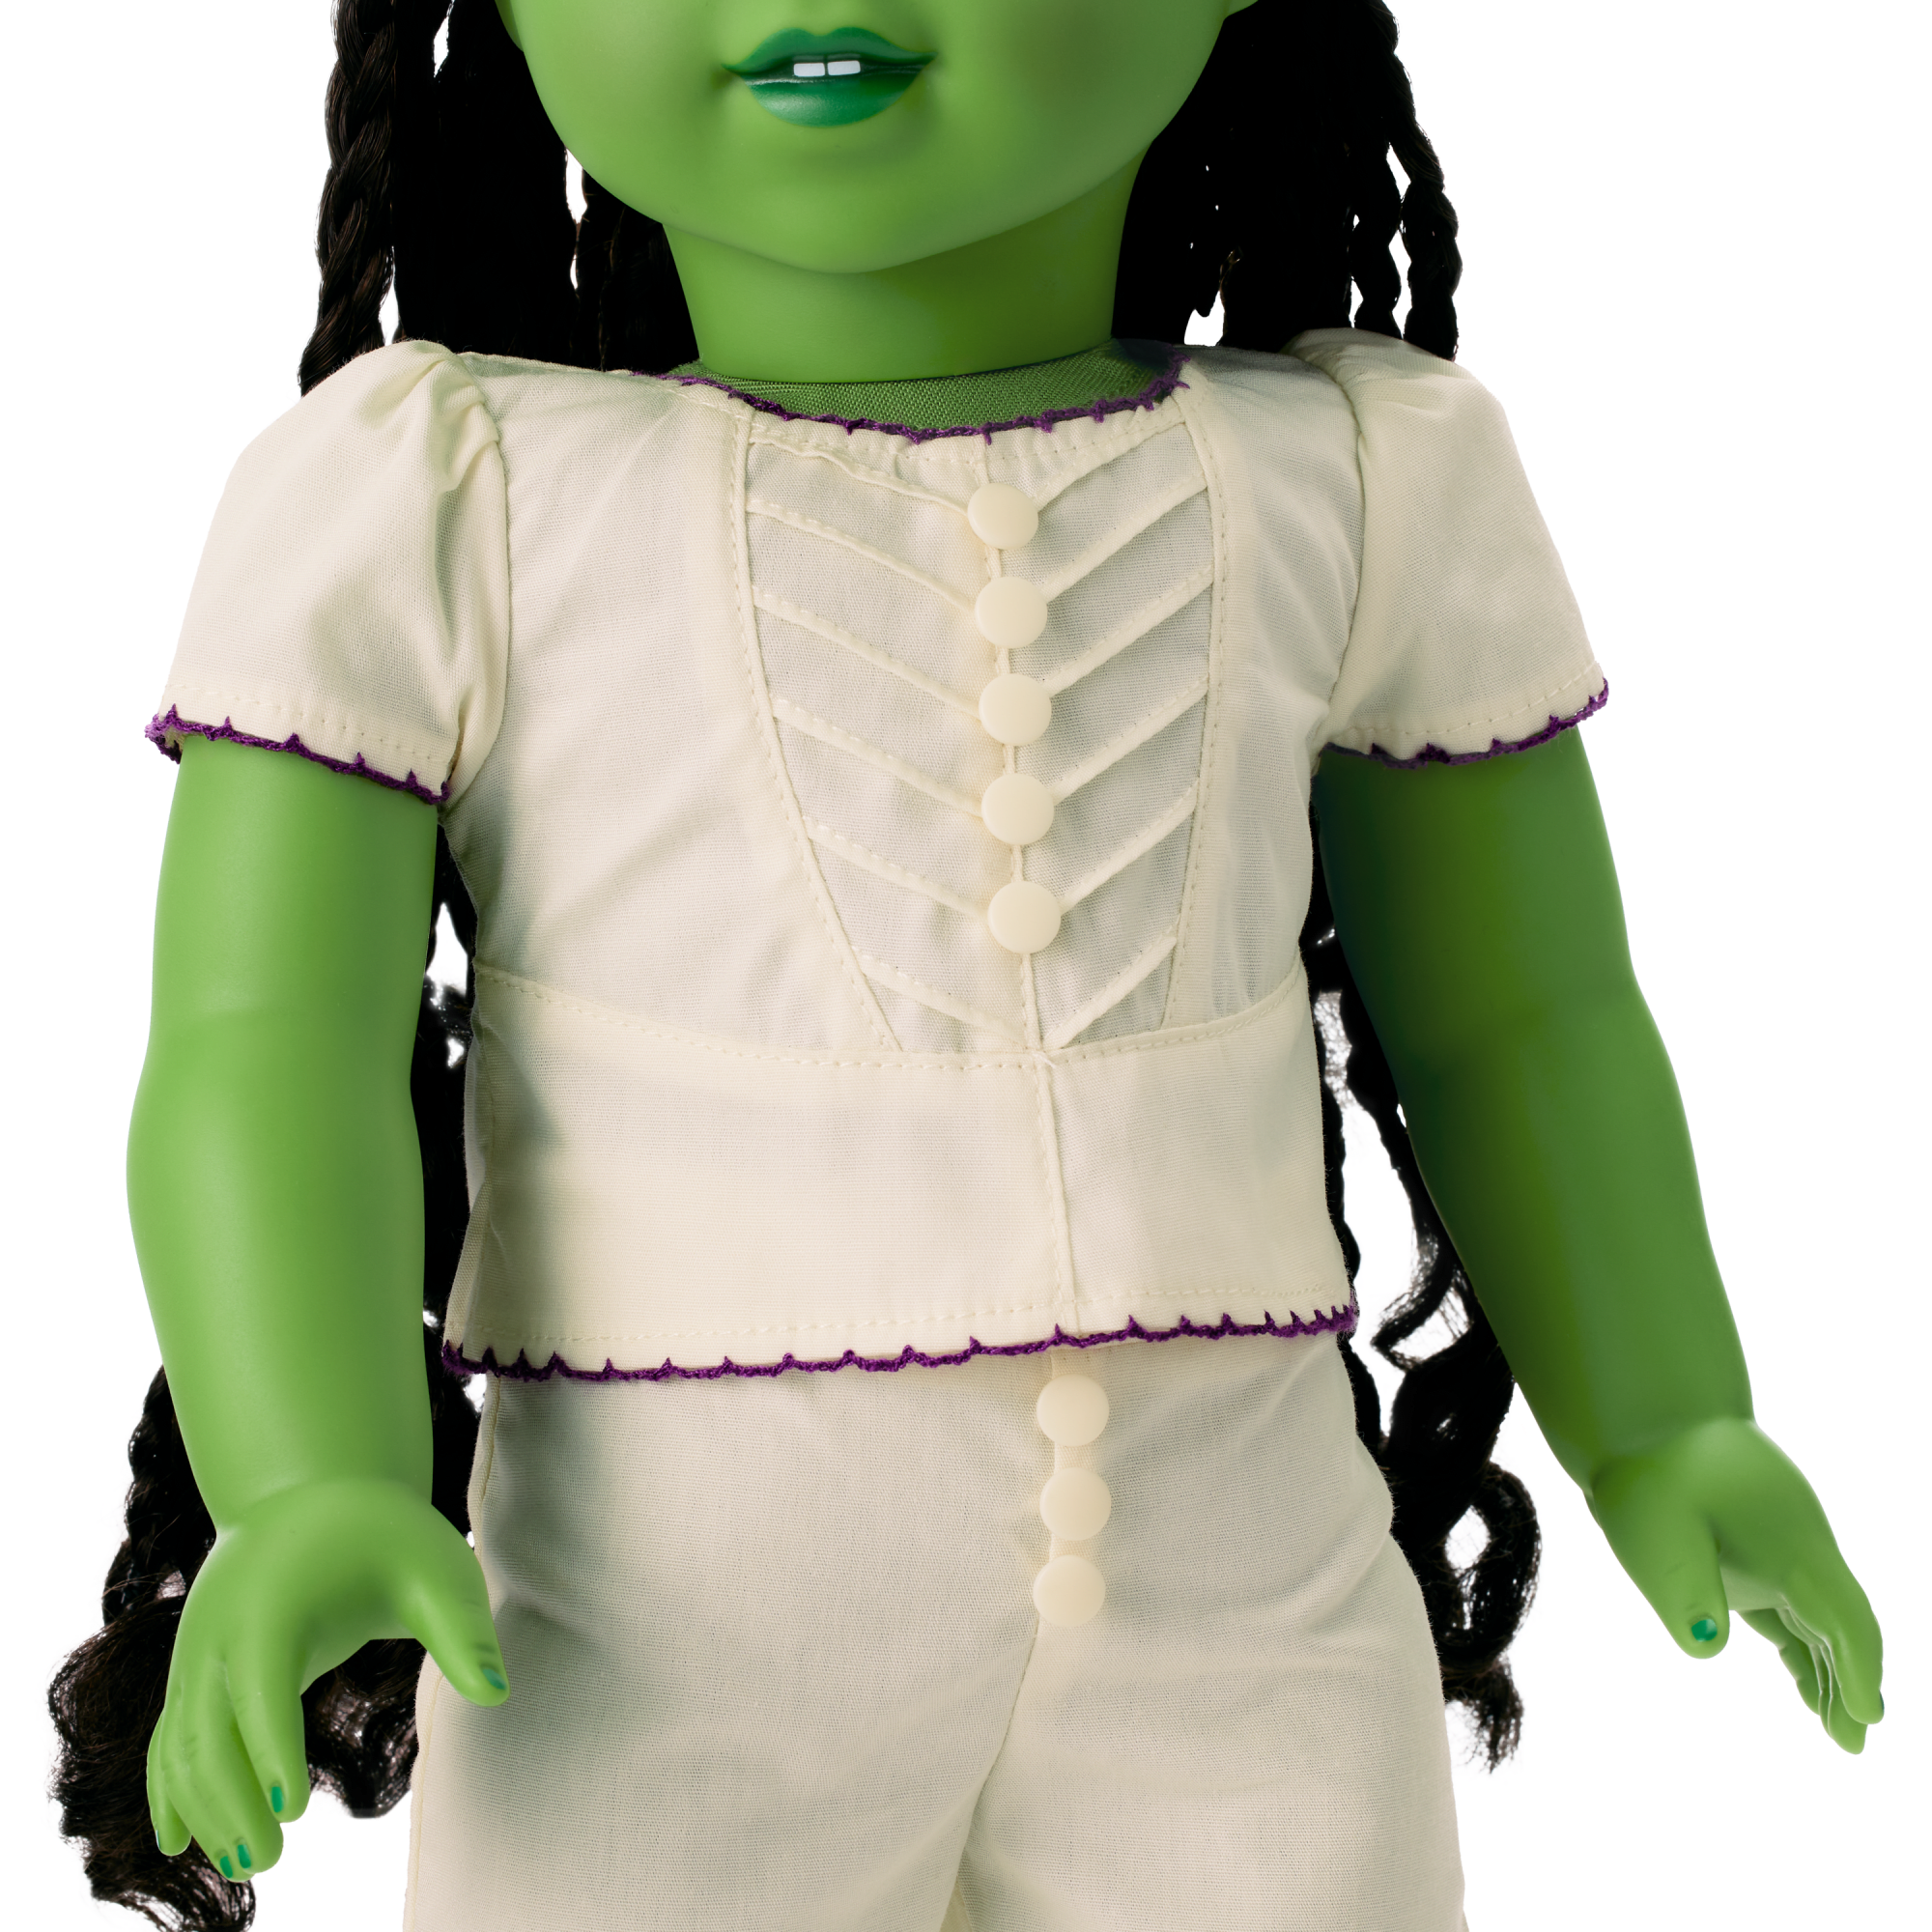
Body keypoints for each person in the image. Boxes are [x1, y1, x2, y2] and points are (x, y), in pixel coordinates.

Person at [39, 2, 1884, 1927]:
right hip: (655, 1638)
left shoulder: (1360, 476)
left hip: (1253, 1612)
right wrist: (308, 1477)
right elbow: (266, 1050)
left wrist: (1670, 1420)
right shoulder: (445, 497)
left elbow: (1526, 1021)